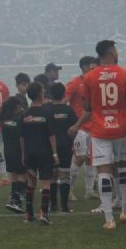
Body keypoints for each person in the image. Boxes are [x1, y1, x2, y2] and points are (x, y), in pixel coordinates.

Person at [75, 40, 126, 230]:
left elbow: (87, 107)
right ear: (112, 52)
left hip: (99, 130)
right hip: (121, 129)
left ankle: (108, 219)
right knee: (123, 167)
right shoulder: (125, 73)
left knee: (103, 171)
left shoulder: (89, 77)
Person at [20, 82, 58, 225]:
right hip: (45, 153)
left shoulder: (25, 114)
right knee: (46, 183)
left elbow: (22, 137)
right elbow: (51, 135)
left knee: (31, 183)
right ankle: (44, 214)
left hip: (29, 153)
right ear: (41, 94)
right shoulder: (47, 113)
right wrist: (55, 154)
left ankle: (29, 215)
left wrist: (23, 155)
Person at [65, 56, 98, 201]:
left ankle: (89, 191)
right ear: (86, 66)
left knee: (91, 159)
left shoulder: (94, 82)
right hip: (79, 127)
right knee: (79, 157)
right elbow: (63, 101)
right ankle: (68, 190)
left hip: (94, 127)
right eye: (94, 66)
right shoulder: (74, 83)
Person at [45, 82, 77, 213]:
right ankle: (65, 206)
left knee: (51, 176)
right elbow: (74, 129)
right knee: (64, 175)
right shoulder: (68, 110)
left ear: (50, 94)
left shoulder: (45, 109)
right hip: (65, 146)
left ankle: (53, 205)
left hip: (49, 148)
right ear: (64, 94)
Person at [0, 95, 27, 214]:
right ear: (17, 106)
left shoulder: (4, 118)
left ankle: (13, 197)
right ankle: (15, 201)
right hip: (18, 150)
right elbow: (22, 137)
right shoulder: (20, 119)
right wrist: (24, 153)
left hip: (7, 150)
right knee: (22, 175)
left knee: (14, 176)